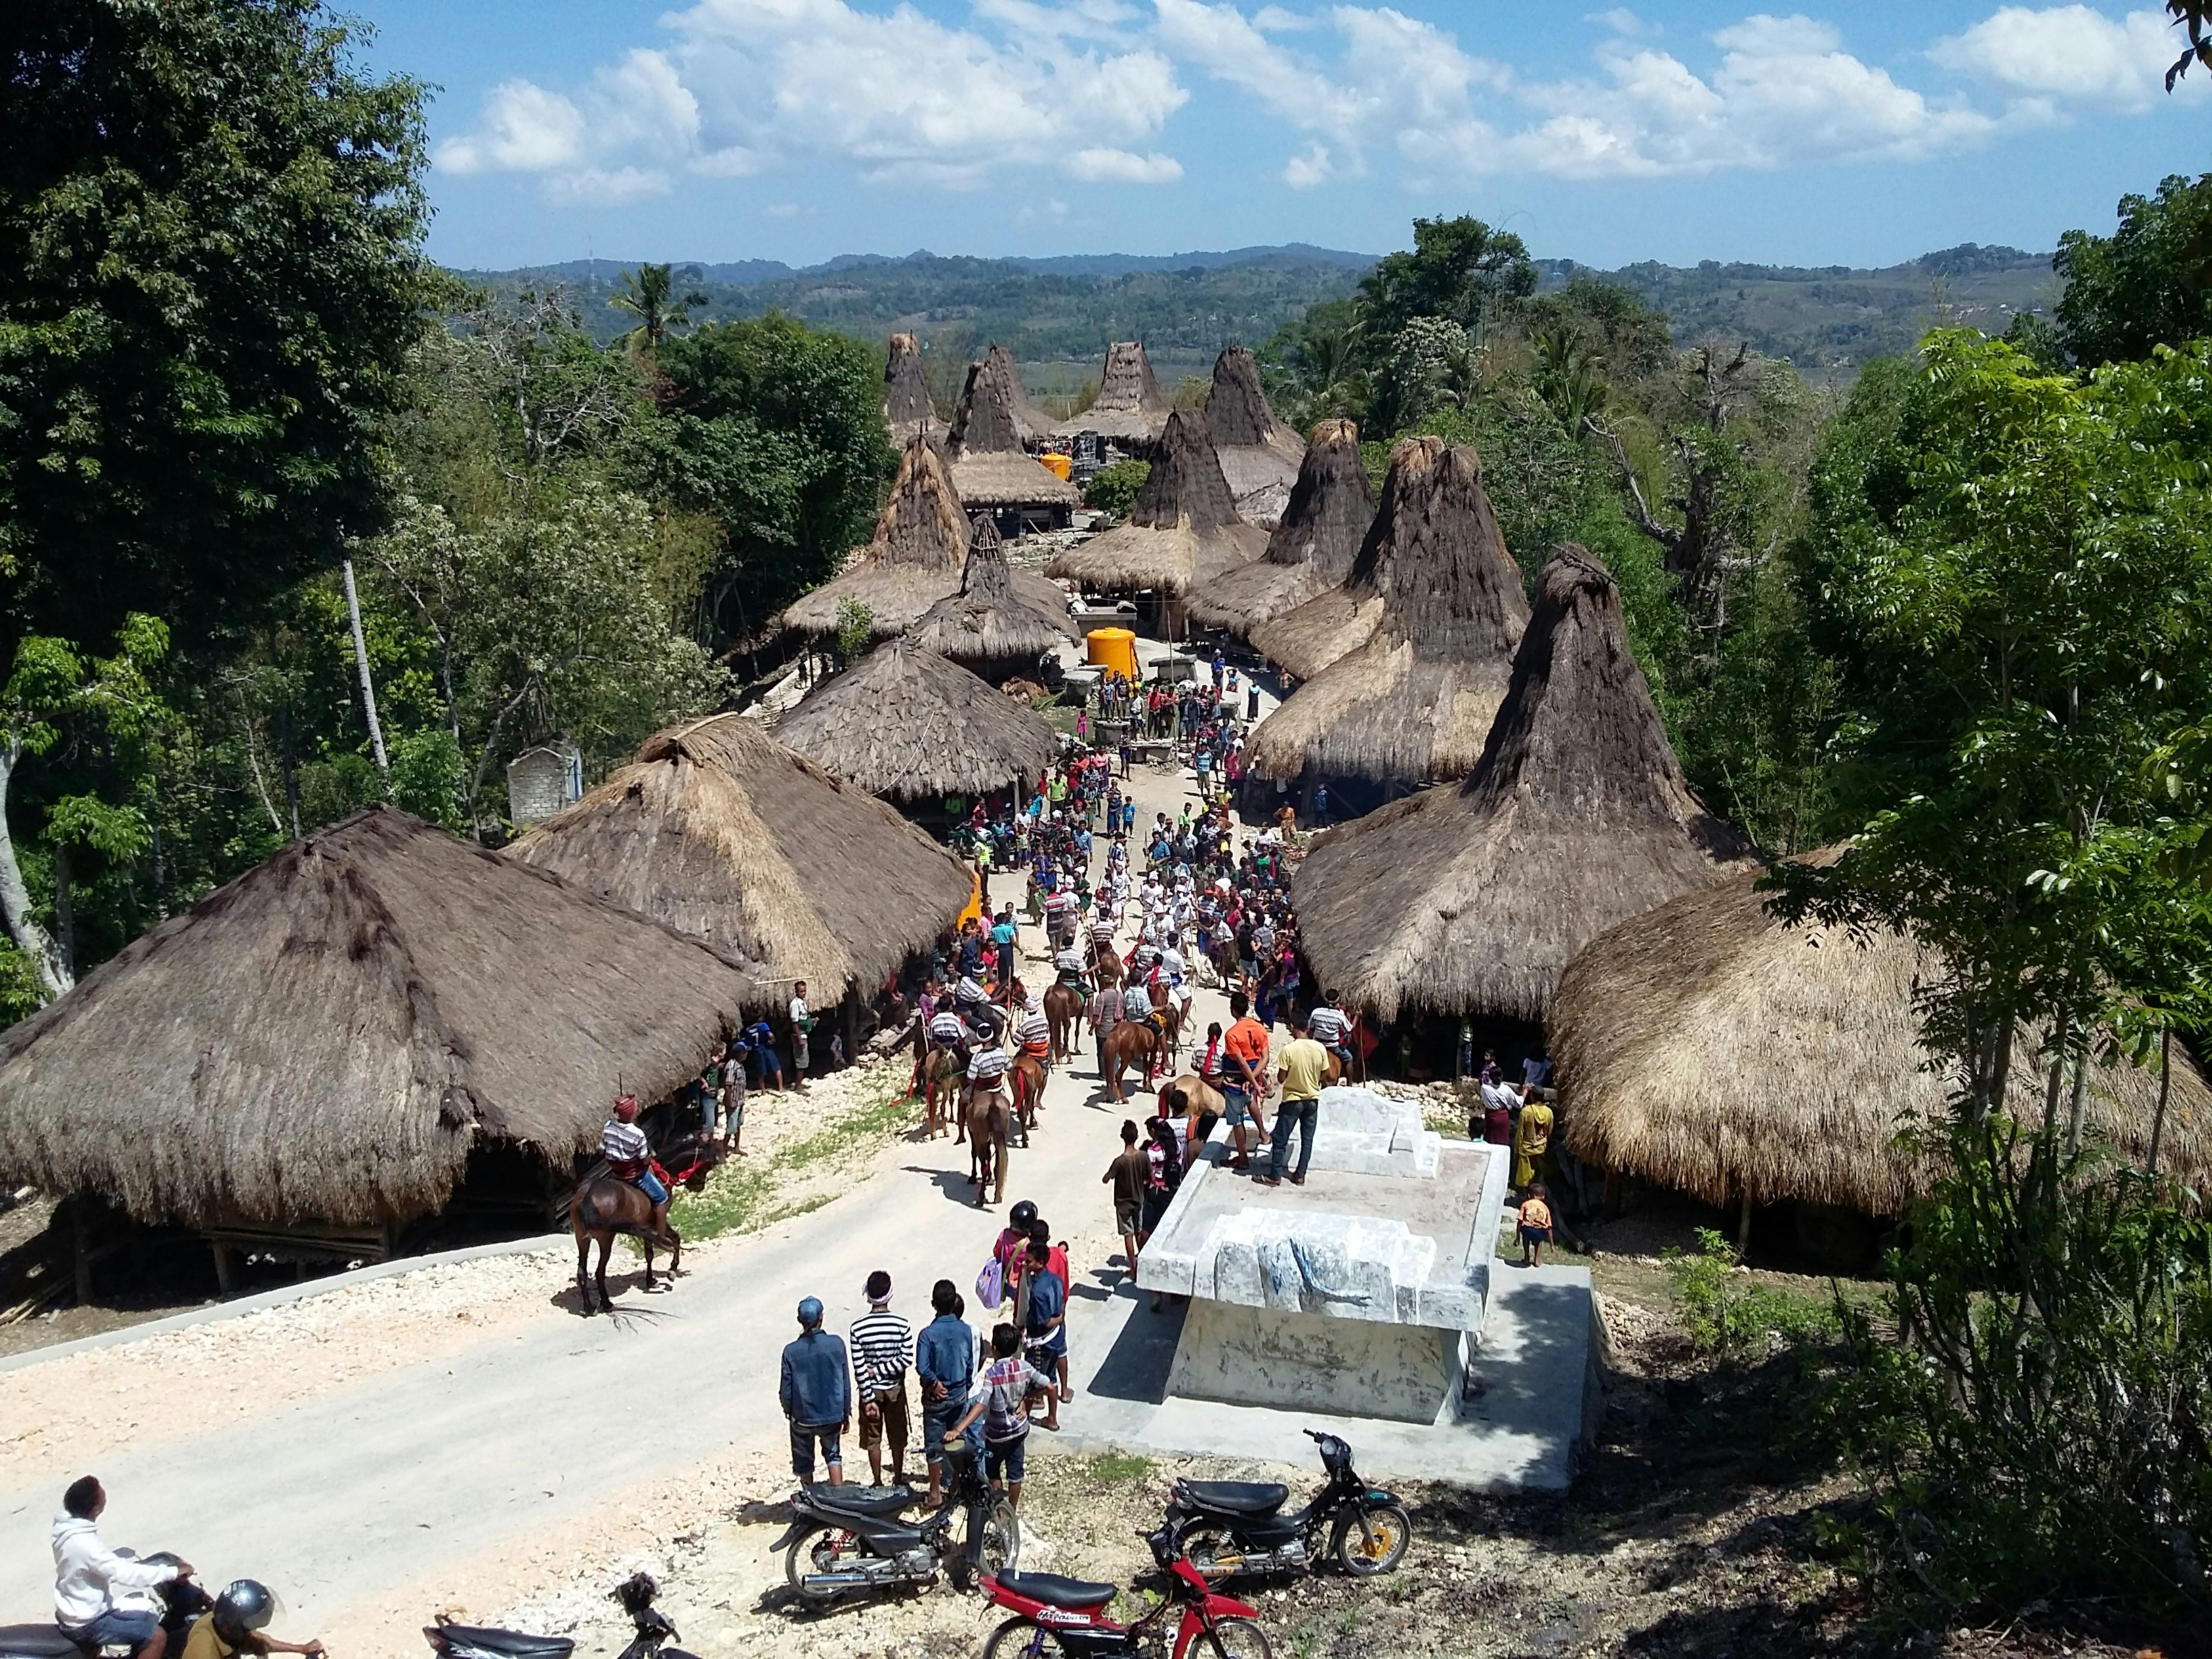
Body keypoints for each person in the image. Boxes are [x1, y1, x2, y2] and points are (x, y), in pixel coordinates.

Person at [52, 1477, 192, 1659]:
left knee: (148, 1616)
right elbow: (124, 1574)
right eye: (102, 1494)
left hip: (75, 1610)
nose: (105, 1495)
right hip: (88, 1623)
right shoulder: (86, 1545)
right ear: (96, 1509)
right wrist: (171, 1572)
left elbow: (99, 1564)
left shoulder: (64, 1529)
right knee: (156, 1637)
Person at [949, 1325, 1053, 1512]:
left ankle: (998, 1507)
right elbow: (1050, 1387)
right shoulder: (1024, 1368)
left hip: (996, 1436)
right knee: (1015, 1473)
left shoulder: (992, 1374)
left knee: (993, 1471)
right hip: (1019, 1431)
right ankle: (1011, 1511)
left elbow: (981, 1403)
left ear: (995, 1349)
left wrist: (959, 1429)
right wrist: (1028, 1398)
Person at [850, 1270, 914, 1490]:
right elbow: (906, 1359)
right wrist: (884, 1370)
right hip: (895, 1388)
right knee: (897, 1435)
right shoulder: (902, 1324)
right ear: (890, 1294)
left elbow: (859, 1368)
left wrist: (868, 1395)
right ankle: (897, 1478)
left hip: (871, 1392)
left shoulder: (857, 1328)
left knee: (873, 1438)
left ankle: (877, 1481)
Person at [916, 1279, 978, 1507]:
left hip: (936, 1399)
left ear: (934, 1304)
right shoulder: (965, 1330)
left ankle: (934, 1493)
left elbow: (922, 1368)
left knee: (934, 1445)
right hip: (959, 1394)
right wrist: (964, 1385)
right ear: (954, 1302)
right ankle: (954, 1487)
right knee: (957, 1439)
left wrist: (933, 1383)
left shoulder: (927, 1335)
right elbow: (969, 1363)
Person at [780, 1296, 852, 1485]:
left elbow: (786, 1390)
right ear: (821, 1318)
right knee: (833, 1455)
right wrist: (846, 1413)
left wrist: (789, 1411)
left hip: (803, 1418)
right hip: (831, 1415)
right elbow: (845, 1381)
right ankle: (839, 1497)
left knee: (804, 1464)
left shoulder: (790, 1351)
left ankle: (809, 1500)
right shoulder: (836, 1344)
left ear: (800, 1321)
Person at [1262, 1013, 1328, 1187]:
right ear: (1307, 1027)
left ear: (1293, 1028)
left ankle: (1275, 1176)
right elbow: (1324, 1074)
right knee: (1307, 1140)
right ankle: (1300, 1175)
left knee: (1280, 1138)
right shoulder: (1320, 1049)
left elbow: (1282, 1078)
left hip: (1292, 1100)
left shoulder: (1289, 1051)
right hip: (1312, 1099)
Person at [178, 1581, 324, 1659]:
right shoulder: (202, 1649)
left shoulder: (223, 1624)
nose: (251, 1630)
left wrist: (301, 1649)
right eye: (248, 1626)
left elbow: (260, 1642)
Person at [598, 1094, 669, 1236]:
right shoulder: (638, 1134)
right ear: (632, 1113)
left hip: (616, 1173)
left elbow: (602, 1149)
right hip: (634, 1175)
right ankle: (660, 1236)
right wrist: (649, 1159)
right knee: (662, 1198)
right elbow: (644, 1160)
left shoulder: (608, 1125)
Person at [1220, 993, 1272, 1172]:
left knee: (1236, 1120)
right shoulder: (1259, 1028)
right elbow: (1265, 1058)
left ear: (1233, 1010)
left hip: (1236, 1080)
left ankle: (1242, 1159)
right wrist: (1254, 1080)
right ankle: (1264, 1134)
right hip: (1252, 1076)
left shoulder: (1231, 1035)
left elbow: (1241, 1063)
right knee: (1251, 1102)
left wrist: (1252, 1082)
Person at [1019, 1240, 1067, 1428]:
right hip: (1055, 1340)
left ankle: (1022, 1418)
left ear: (1040, 1263)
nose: (1025, 1264)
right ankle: (1052, 1419)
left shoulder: (1038, 1291)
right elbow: (1061, 1303)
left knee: (1034, 1384)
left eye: (1029, 1261)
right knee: (1051, 1380)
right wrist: (1061, 1317)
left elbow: (1045, 1321)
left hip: (1041, 1345)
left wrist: (1058, 1319)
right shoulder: (1055, 1279)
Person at [1103, 1119, 1150, 1273]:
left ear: (1122, 1137)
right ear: (1136, 1137)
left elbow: (1106, 1178)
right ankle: (1143, 1262)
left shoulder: (1120, 1162)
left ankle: (1133, 1268)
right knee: (1138, 1231)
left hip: (1123, 1204)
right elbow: (1150, 1177)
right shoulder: (1143, 1156)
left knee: (1128, 1235)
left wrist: (1108, 1176)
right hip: (1139, 1200)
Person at [1306, 991, 1353, 1078]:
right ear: (1337, 1002)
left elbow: (1310, 1027)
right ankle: (1349, 1084)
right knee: (1349, 1058)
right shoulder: (1340, 1016)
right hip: (1333, 1046)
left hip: (1317, 1044)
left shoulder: (1316, 1012)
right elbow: (1349, 1029)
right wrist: (1357, 1017)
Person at [1514, 1092, 1555, 1191]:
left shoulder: (1526, 1111)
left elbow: (1520, 1133)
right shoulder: (1548, 1112)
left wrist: (1516, 1150)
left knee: (1526, 1180)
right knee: (1540, 1175)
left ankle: (1527, 1197)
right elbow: (1550, 1132)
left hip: (1527, 1150)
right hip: (1541, 1149)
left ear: (1532, 1097)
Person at [719, 1041, 748, 1153]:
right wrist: (730, 1102)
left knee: (738, 1124)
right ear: (740, 1054)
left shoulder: (740, 1066)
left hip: (740, 1100)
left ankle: (737, 1147)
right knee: (731, 1127)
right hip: (733, 1102)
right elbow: (728, 1086)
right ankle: (723, 1150)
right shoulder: (731, 1067)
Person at [1518, 1182, 1553, 1266]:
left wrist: (1517, 1236)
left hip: (1528, 1229)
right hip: (1541, 1231)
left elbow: (1520, 1221)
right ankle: (1537, 1260)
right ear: (1543, 1197)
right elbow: (1549, 1227)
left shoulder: (1526, 1204)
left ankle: (1527, 1258)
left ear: (1530, 1196)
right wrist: (1552, 1244)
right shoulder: (1545, 1208)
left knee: (1526, 1238)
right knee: (1539, 1241)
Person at [790, 982, 815, 1091]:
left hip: (804, 1035)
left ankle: (800, 1083)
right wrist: (799, 1038)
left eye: (805, 991)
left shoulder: (802, 1003)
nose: (804, 993)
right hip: (799, 1035)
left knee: (804, 1061)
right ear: (796, 991)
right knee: (801, 1061)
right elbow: (795, 1022)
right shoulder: (795, 1004)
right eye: (801, 991)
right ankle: (798, 1086)